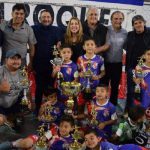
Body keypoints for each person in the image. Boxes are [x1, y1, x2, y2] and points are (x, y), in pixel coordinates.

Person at [32, 9, 62, 115]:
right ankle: (37, 110)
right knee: (39, 89)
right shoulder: (33, 29)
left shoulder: (57, 30)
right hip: (39, 65)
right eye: (44, 17)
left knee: (50, 89)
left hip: (52, 67)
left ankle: (50, 111)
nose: (46, 19)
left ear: (52, 19)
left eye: (48, 17)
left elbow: (61, 44)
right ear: (40, 19)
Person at [126, 15, 150, 109]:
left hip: (146, 68)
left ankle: (144, 112)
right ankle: (130, 111)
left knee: (145, 91)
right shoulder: (130, 34)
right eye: (135, 23)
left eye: (140, 22)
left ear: (144, 22)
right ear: (133, 25)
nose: (138, 25)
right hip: (132, 67)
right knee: (131, 91)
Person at [103, 11, 127, 105]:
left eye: (120, 18)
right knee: (103, 86)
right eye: (116, 18)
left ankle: (112, 108)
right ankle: (101, 106)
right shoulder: (105, 29)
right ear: (111, 19)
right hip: (105, 64)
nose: (118, 20)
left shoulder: (125, 33)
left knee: (115, 87)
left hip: (117, 64)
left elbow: (128, 47)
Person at [0, 49, 29, 125]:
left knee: (17, 122)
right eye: (13, 58)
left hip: (14, 105)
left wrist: (29, 101)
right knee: (0, 120)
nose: (16, 61)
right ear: (6, 60)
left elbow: (26, 89)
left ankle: (10, 117)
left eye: (18, 59)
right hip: (1, 106)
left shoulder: (22, 73)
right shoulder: (1, 71)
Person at [77, 37, 105, 104]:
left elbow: (103, 72)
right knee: (81, 105)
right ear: (84, 47)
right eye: (87, 45)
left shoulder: (100, 59)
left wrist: (98, 77)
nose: (90, 46)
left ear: (95, 47)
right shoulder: (80, 58)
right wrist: (79, 74)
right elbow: (77, 71)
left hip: (95, 87)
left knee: (92, 106)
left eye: (92, 44)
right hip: (82, 86)